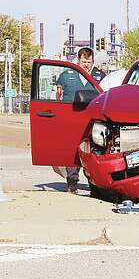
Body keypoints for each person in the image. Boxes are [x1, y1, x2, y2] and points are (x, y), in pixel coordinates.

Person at [60, 47, 98, 194]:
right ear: (78, 60)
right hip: (71, 118)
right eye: (84, 61)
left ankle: (95, 183)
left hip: (92, 120)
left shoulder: (99, 77)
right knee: (72, 151)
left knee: (92, 151)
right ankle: (72, 182)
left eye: (89, 62)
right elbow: (58, 95)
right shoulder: (67, 75)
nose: (86, 64)